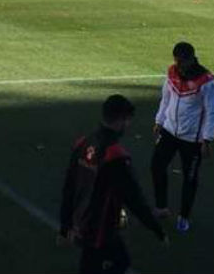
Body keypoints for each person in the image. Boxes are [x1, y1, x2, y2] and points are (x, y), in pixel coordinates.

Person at [59, 94, 167, 274]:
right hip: (100, 227)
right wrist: (157, 230)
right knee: (119, 262)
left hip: (80, 219)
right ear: (122, 120)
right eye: (128, 120)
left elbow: (68, 187)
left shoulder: (83, 143)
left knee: (95, 263)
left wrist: (65, 226)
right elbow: (134, 198)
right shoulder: (115, 155)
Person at [151, 41, 214, 234]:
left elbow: (212, 111)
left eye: (183, 61)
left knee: (189, 178)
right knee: (156, 166)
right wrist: (159, 120)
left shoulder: (206, 81)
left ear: (191, 59)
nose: (180, 65)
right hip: (169, 131)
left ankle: (184, 216)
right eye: (177, 60)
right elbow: (166, 98)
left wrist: (207, 139)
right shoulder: (172, 72)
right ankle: (161, 206)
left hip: (192, 138)